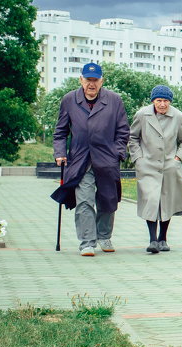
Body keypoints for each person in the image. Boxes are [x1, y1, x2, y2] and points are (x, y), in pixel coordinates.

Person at [51, 62, 130, 256]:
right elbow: (60, 132)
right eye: (88, 80)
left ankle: (104, 235)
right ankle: (87, 242)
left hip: (107, 159)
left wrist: (118, 152)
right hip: (81, 160)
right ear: (81, 80)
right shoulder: (69, 100)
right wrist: (59, 153)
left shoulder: (114, 100)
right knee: (84, 202)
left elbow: (123, 131)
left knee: (108, 200)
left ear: (102, 81)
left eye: (95, 80)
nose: (91, 84)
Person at [127, 84, 182, 253]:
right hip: (147, 165)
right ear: (153, 101)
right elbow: (132, 137)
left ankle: (163, 238)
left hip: (169, 166)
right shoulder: (142, 115)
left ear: (170, 102)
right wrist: (138, 158)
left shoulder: (178, 116)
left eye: (165, 101)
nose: (162, 104)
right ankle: (152, 240)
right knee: (151, 200)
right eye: (159, 100)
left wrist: (178, 158)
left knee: (166, 202)